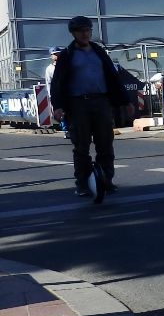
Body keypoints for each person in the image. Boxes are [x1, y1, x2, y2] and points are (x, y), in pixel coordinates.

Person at [48, 16, 129, 197]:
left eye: (87, 30)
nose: (85, 34)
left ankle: (106, 181)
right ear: (73, 33)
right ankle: (83, 184)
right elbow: (58, 83)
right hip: (78, 105)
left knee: (105, 145)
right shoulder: (67, 55)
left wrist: (125, 101)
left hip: (101, 102)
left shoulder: (99, 52)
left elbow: (114, 78)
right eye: (81, 31)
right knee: (82, 147)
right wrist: (58, 105)